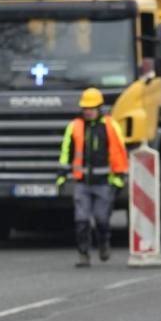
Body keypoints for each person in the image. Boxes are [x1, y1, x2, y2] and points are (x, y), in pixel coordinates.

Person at [56, 87, 128, 267]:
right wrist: (62, 174)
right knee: (81, 219)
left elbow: (119, 152)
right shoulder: (74, 127)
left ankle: (104, 244)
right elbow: (66, 151)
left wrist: (120, 176)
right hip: (82, 183)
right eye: (85, 108)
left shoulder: (110, 126)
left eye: (91, 108)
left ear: (99, 108)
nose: (88, 111)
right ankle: (83, 254)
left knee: (102, 218)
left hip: (103, 183)